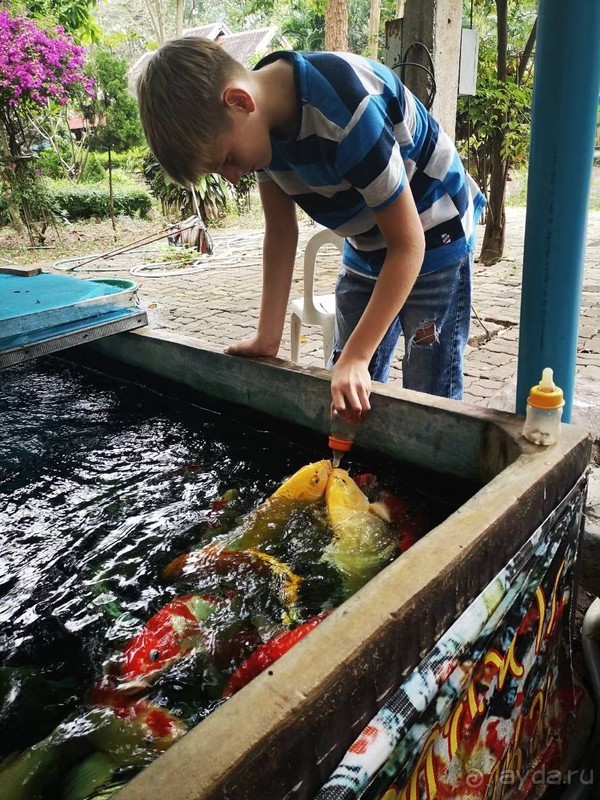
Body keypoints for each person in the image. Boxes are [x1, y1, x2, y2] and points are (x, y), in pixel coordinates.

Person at [136, 37, 486, 423]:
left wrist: (357, 356)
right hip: (367, 239)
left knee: (427, 382)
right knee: (346, 381)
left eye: (229, 160)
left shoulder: (346, 113)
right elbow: (281, 233)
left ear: (240, 102)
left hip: (433, 229)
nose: (234, 178)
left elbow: (407, 245)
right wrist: (268, 336)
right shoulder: (260, 130)